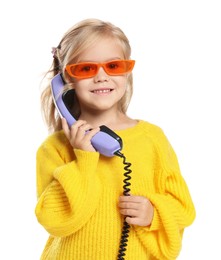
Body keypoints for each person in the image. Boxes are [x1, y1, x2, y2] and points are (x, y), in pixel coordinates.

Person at [35, 18, 196, 260]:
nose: (101, 76)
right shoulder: (54, 148)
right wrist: (84, 158)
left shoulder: (152, 139)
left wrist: (154, 212)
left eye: (113, 66)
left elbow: (184, 208)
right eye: (86, 69)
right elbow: (55, 220)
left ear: (127, 71)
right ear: (65, 79)